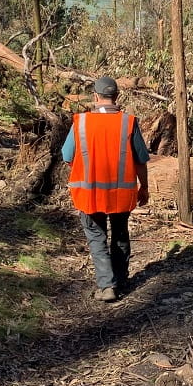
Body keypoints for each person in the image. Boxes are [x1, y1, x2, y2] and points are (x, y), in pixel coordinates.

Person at [61, 76, 150, 302]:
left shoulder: (80, 122)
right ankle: (120, 280)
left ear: (95, 96)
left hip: (88, 193)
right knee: (120, 234)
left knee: (96, 237)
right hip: (121, 194)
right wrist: (144, 187)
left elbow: (66, 156)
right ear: (117, 96)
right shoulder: (128, 122)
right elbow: (140, 160)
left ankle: (107, 285)